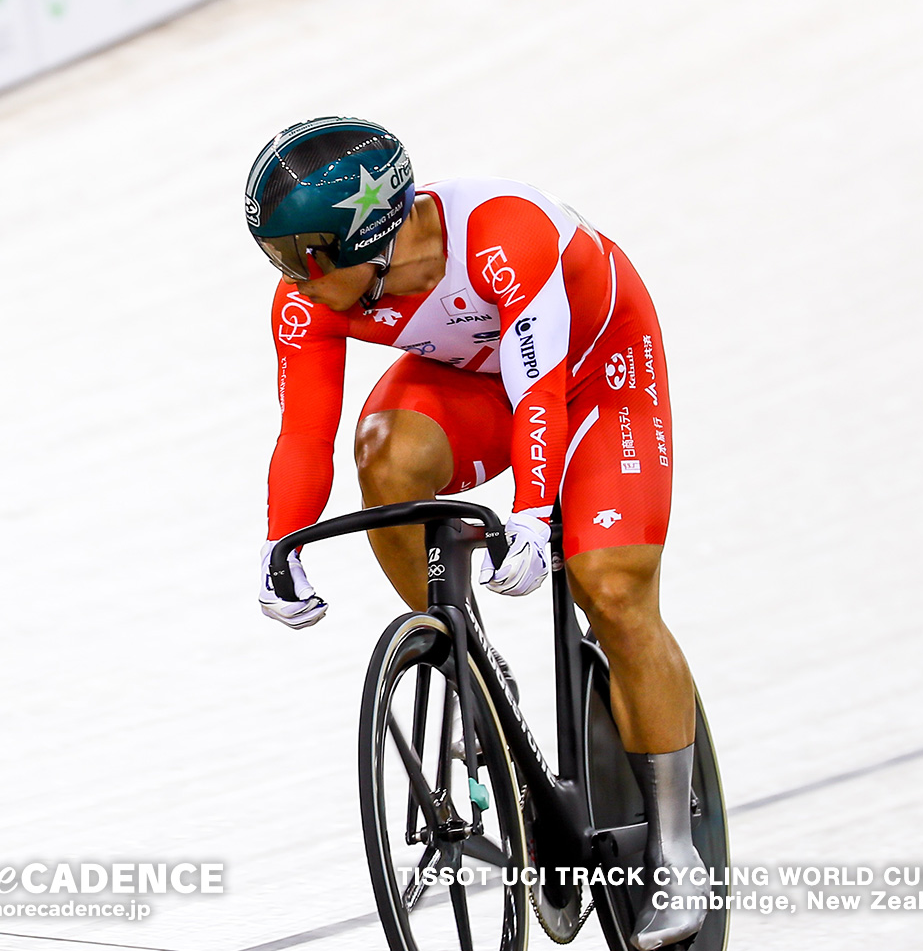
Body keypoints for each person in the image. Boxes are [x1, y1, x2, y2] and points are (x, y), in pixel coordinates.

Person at [246, 118, 707, 949]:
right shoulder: (314, 298)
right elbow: (305, 434)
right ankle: (474, 668)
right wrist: (285, 544)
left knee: (610, 587)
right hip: (480, 381)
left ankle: (677, 847)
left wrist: (533, 514)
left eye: (304, 257)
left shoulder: (504, 234)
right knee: (383, 458)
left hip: (599, 375)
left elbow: (543, 388)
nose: (292, 280)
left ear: (370, 236)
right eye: (278, 259)